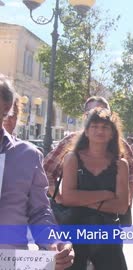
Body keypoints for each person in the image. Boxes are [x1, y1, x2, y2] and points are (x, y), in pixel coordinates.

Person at [0, 76, 74, 270]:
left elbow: (39, 211)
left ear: (6, 106)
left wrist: (53, 243)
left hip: (11, 262)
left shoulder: (28, 155)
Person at [44, 96, 133, 214]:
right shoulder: (70, 144)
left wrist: (123, 202)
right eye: (92, 113)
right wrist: (59, 198)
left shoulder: (122, 148)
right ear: (85, 117)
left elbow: (132, 178)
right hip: (73, 222)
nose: (99, 116)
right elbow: (45, 172)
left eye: (103, 112)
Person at [60, 107, 129, 270]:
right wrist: (106, 194)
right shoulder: (72, 158)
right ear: (86, 131)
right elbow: (68, 198)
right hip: (74, 230)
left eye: (105, 127)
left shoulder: (120, 164)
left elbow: (121, 206)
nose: (100, 130)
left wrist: (83, 200)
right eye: (95, 126)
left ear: (112, 133)